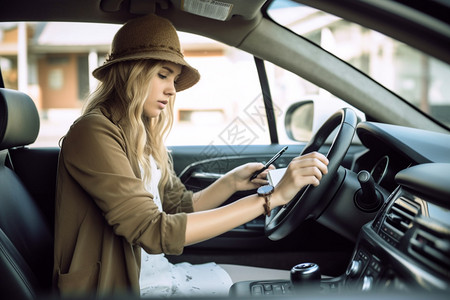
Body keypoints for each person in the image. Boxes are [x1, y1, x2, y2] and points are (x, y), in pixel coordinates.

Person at [52, 13, 329, 297]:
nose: (172, 90)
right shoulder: (92, 133)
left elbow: (177, 206)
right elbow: (153, 230)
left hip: (162, 277)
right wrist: (270, 200)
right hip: (122, 288)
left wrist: (231, 182)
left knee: (300, 288)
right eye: (162, 75)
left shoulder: (142, 133)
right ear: (130, 72)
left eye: (173, 79)